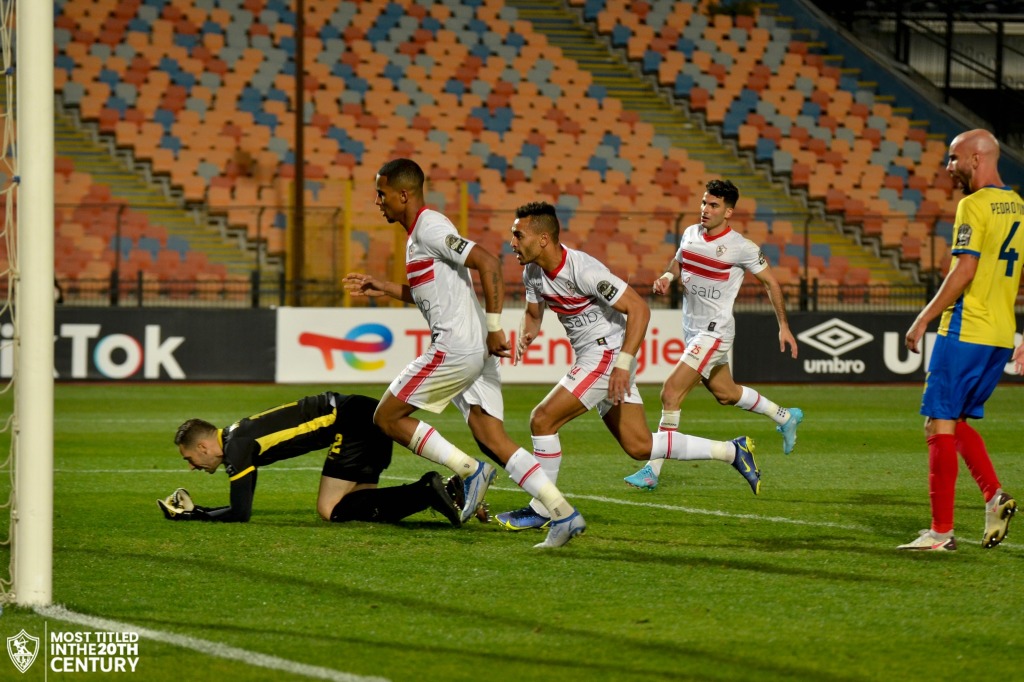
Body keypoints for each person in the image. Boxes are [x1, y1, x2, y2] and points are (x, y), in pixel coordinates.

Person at [342, 158, 584, 548]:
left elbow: (486, 261)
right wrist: (384, 287)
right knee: (492, 437)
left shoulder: (430, 226)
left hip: (457, 345)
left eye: (382, 194)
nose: (377, 201)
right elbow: (433, 291)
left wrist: (493, 328)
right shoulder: (419, 236)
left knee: (386, 416)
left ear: (403, 194)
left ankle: (468, 471)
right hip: (472, 350)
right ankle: (563, 512)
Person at [494, 202, 761, 531]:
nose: (513, 243)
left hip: (607, 355)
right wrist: (527, 335)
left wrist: (623, 364)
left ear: (544, 238)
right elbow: (534, 314)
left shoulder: (583, 270)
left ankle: (545, 507)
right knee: (639, 446)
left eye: (518, 235)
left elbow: (639, 309)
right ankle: (731, 452)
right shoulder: (532, 272)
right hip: (596, 357)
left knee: (542, 419)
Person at [624, 179, 802, 491]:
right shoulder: (691, 233)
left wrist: (783, 326)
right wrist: (667, 276)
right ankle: (785, 416)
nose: (705, 210)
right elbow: (679, 261)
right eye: (704, 203)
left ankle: (652, 470)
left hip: (714, 333)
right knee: (726, 393)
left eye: (714, 205)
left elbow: (771, 283)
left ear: (729, 212)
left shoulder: (742, 248)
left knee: (670, 393)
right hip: (692, 330)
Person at [899, 129, 1020, 551]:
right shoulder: (1020, 206)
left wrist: (922, 318)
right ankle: (994, 495)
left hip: (965, 329)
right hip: (1001, 335)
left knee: (936, 424)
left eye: (953, 158)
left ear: (976, 159)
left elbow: (964, 270)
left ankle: (940, 532)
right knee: (955, 423)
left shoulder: (973, 204)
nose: (948, 168)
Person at [158, 391, 465, 526]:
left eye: (189, 458)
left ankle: (427, 491)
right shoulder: (238, 434)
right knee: (360, 503)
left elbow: (241, 513)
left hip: (351, 421)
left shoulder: (237, 449)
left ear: (202, 447)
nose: (192, 467)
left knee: (329, 509)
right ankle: (440, 492)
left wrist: (196, 514)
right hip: (361, 413)